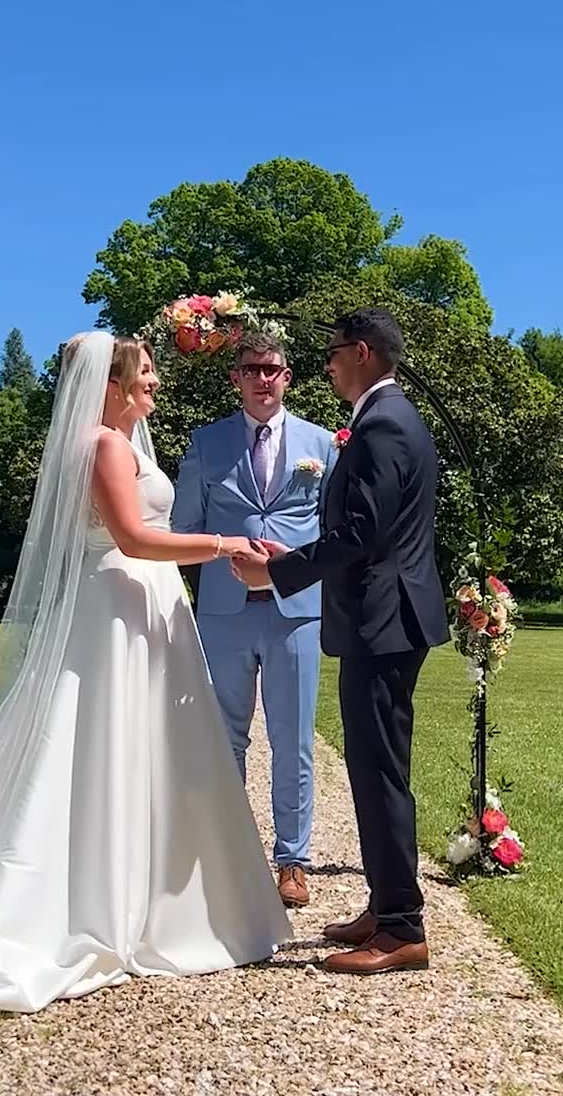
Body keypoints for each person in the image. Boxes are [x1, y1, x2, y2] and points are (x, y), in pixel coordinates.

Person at [0, 332, 290, 1015]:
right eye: (145, 374)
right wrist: (223, 544)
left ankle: (155, 895)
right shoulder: (104, 446)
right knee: (105, 743)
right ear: (112, 385)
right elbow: (133, 538)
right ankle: (102, 900)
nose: (154, 384)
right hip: (118, 604)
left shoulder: (117, 443)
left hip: (144, 602)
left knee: (148, 746)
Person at [233, 308, 449, 975]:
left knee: (380, 772)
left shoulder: (382, 426)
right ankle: (387, 907)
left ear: (359, 352)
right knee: (372, 767)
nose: (325, 364)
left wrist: (276, 571)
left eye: (331, 353)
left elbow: (362, 534)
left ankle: (402, 930)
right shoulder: (391, 419)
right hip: (385, 622)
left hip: (384, 626)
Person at [173, 330, 334, 909]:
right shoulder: (205, 443)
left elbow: (335, 531)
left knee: (292, 741)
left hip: (295, 613)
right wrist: (222, 551)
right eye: (251, 369)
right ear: (235, 377)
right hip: (224, 611)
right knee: (225, 738)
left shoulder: (322, 443)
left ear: (288, 377)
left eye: (273, 369)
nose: (263, 379)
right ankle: (228, 852)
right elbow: (182, 530)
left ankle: (292, 861)